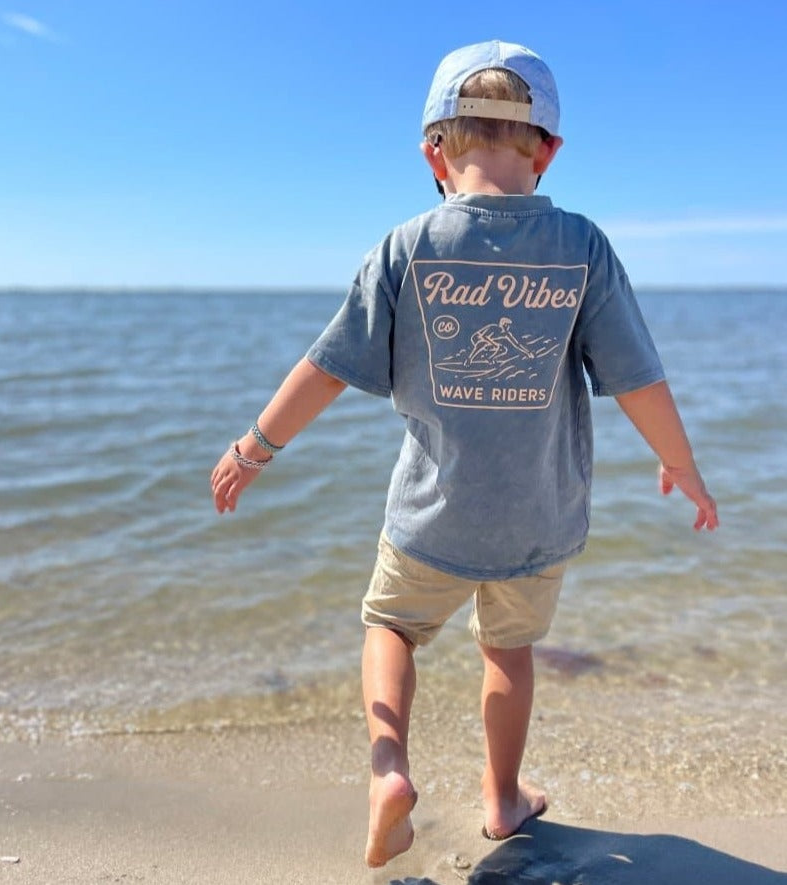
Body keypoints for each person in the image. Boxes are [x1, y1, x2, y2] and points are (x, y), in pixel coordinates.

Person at [210, 39, 718, 869]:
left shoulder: (407, 244)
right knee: (507, 651)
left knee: (389, 625)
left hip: (430, 514)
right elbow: (637, 377)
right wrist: (681, 464)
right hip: (537, 519)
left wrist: (254, 446)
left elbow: (327, 366)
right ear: (546, 150)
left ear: (432, 153)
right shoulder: (581, 245)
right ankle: (502, 798)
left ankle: (388, 770)